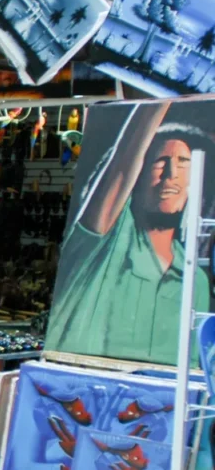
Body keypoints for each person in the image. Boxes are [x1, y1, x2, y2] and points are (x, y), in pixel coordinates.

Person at [47, 101, 213, 365]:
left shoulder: (197, 281)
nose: (171, 174)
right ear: (138, 175)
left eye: (183, 163)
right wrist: (163, 91)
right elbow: (123, 165)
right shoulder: (105, 243)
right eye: (160, 162)